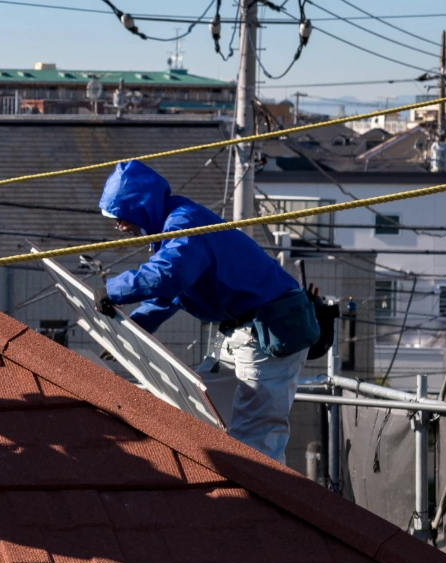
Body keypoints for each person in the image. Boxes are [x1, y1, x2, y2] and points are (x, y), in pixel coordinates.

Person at [97, 159, 320, 463]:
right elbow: (173, 291)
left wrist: (113, 290)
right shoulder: (172, 227)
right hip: (245, 330)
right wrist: (135, 326)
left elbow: (169, 276)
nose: (120, 226)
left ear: (139, 206)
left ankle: (259, 505)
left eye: (121, 216)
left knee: (255, 440)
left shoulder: (184, 225)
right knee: (197, 408)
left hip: (269, 330)